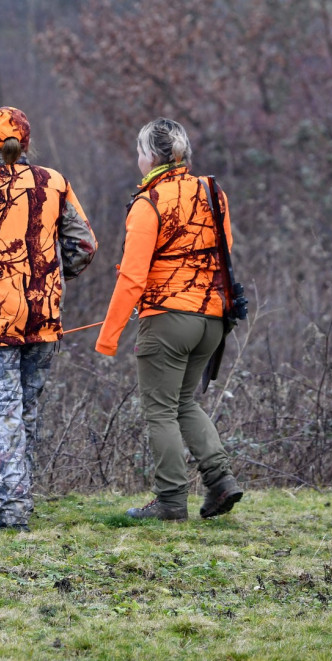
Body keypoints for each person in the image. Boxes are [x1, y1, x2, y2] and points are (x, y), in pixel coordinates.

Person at [0, 107, 97, 531]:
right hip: (44, 317)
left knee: (0, 409)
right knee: (25, 409)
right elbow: (84, 246)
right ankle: (11, 492)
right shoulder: (54, 183)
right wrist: (52, 278)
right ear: (27, 143)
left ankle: (12, 503)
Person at [94, 118, 243, 521]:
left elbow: (132, 277)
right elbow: (223, 252)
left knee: (159, 410)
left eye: (140, 151)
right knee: (183, 403)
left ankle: (171, 502)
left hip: (168, 322)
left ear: (153, 158)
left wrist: (108, 338)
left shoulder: (149, 203)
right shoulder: (213, 193)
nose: (138, 159)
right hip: (212, 320)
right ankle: (221, 481)